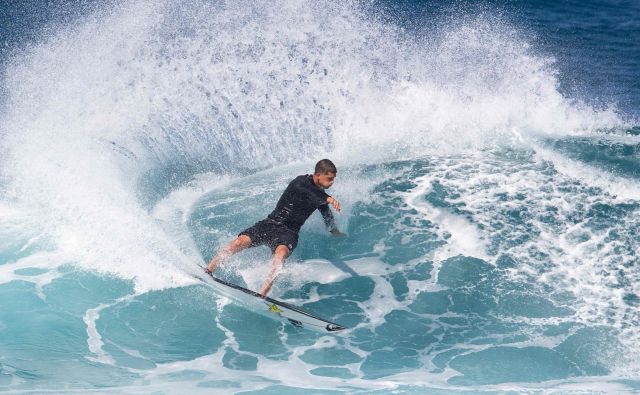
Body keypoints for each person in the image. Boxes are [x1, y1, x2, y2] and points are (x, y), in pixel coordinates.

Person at [205, 159, 345, 296]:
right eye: (329, 179)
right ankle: (209, 270)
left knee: (280, 255)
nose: (332, 182)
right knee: (238, 242)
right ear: (319, 175)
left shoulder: (320, 197)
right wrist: (328, 198)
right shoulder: (300, 182)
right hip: (269, 223)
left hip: (289, 232)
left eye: (333, 179)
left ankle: (262, 294)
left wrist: (334, 231)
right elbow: (308, 191)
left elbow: (327, 215)